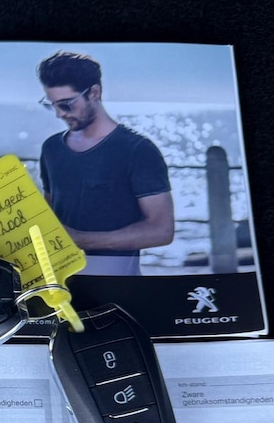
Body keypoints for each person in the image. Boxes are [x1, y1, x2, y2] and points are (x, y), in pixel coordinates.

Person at [35, 51, 174, 275]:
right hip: (58, 282)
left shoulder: (138, 150)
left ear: (94, 93)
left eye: (66, 105)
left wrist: (82, 240)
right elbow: (49, 216)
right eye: (52, 105)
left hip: (118, 283)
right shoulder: (51, 148)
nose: (59, 114)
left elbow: (161, 231)